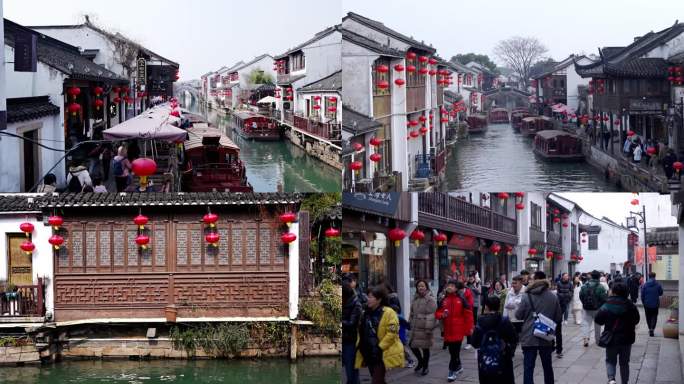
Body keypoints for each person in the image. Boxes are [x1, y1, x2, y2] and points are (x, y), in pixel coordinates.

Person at [516, 271, 562, 384]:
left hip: (529, 336)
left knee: (528, 368)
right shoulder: (553, 296)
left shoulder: (526, 296)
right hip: (546, 336)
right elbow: (558, 317)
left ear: (535, 280)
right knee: (547, 367)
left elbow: (518, 315)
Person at [355, 286, 404, 384]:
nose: (367, 299)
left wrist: (380, 347)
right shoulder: (366, 313)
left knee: (376, 380)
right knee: (377, 378)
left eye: (371, 297)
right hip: (368, 352)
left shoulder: (389, 312)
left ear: (379, 299)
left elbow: (392, 332)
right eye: (368, 296)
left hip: (381, 353)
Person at [594, 282, 640, 384]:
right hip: (627, 339)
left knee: (610, 360)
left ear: (613, 291)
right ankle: (625, 382)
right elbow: (637, 320)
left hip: (611, 339)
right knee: (624, 363)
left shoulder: (607, 304)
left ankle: (611, 380)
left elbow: (598, 320)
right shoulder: (630, 305)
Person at [471, 296, 518, 384]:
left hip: (485, 359)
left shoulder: (480, 322)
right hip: (503, 357)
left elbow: (474, 342)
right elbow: (514, 338)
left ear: (487, 307)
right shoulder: (504, 321)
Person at [435, 280, 474, 382]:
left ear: (456, 288)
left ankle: (451, 371)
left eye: (452, 286)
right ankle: (459, 366)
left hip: (458, 330)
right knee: (452, 352)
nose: (450, 287)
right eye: (449, 285)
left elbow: (468, 314)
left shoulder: (461, 299)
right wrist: (442, 315)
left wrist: (468, 329)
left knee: (455, 352)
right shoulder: (443, 300)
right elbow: (437, 313)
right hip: (448, 330)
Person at [408, 279, 437, 376]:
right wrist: (409, 323)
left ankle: (425, 366)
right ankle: (420, 362)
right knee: (412, 345)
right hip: (415, 327)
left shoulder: (430, 299)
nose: (420, 288)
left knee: (425, 348)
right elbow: (412, 313)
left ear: (426, 287)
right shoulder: (415, 298)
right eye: (419, 286)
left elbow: (432, 315)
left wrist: (429, 328)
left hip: (425, 328)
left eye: (422, 286)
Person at [580, 270, 608, 347]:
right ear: (599, 277)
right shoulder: (600, 287)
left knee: (586, 323)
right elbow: (604, 298)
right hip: (597, 309)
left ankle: (586, 338)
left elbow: (581, 296)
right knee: (597, 324)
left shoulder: (585, 285)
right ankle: (597, 340)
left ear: (591, 276)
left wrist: (584, 304)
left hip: (586, 308)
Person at [342, 281, 362, 384]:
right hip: (345, 339)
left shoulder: (356, 304)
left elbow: (352, 323)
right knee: (350, 370)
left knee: (351, 371)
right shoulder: (346, 302)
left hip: (351, 340)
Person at [641, 272, 663, 337]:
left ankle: (650, 328)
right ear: (655, 276)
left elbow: (642, 295)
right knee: (654, 316)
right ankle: (652, 328)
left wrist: (644, 302)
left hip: (647, 304)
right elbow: (661, 293)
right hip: (655, 303)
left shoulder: (645, 285)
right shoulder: (658, 284)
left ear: (649, 276)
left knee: (648, 317)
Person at [466, 272, 482, 349]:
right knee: (469, 322)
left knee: (474, 322)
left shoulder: (478, 284)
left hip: (475, 305)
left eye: (472, 278)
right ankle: (469, 341)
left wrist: (475, 287)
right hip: (468, 306)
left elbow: (479, 292)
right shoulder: (466, 285)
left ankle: (475, 338)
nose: (470, 279)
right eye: (470, 278)